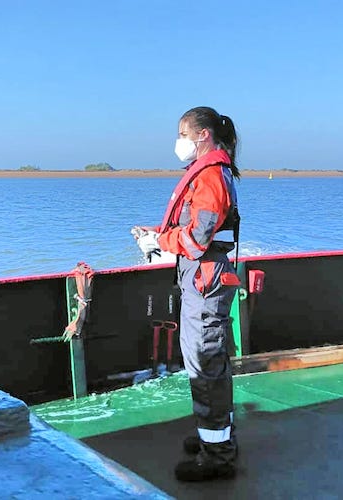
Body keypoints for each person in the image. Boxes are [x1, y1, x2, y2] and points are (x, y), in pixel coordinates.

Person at [132, 106, 241, 481]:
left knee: (205, 362)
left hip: (204, 280)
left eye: (182, 134)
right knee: (209, 361)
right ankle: (217, 437)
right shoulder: (210, 173)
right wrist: (156, 232)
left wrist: (159, 240)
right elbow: (195, 228)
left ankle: (219, 456)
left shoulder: (210, 176)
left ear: (203, 136)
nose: (179, 141)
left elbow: (196, 239)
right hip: (201, 277)